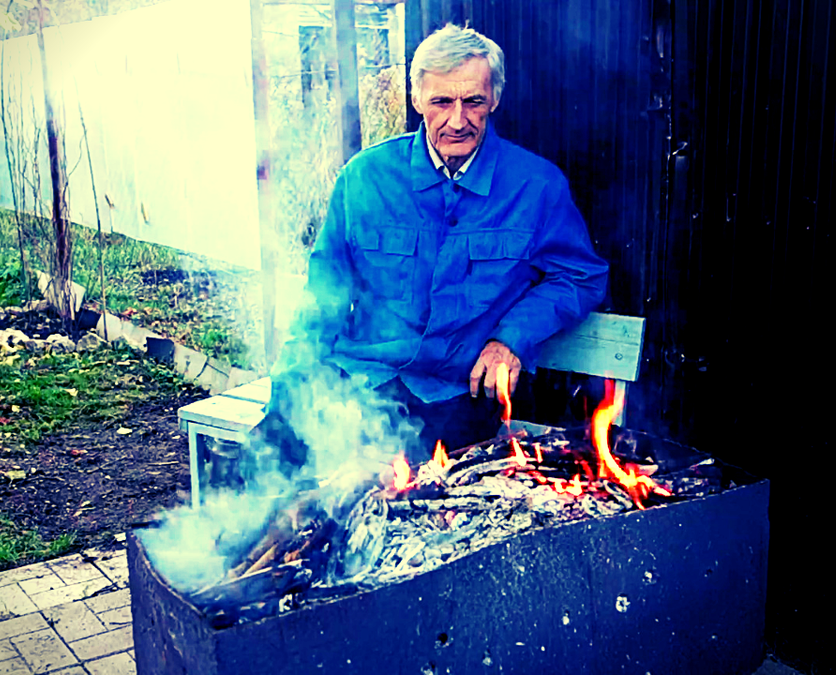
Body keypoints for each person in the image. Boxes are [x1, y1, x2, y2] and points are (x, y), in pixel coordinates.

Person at [261, 24, 609, 470]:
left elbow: (580, 275)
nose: (457, 120)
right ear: (417, 99)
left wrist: (512, 338)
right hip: (356, 383)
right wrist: (290, 385)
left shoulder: (536, 187)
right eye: (442, 102)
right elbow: (322, 297)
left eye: (474, 102)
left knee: (405, 496)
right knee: (260, 474)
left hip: (455, 396)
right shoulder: (365, 177)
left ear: (494, 100)